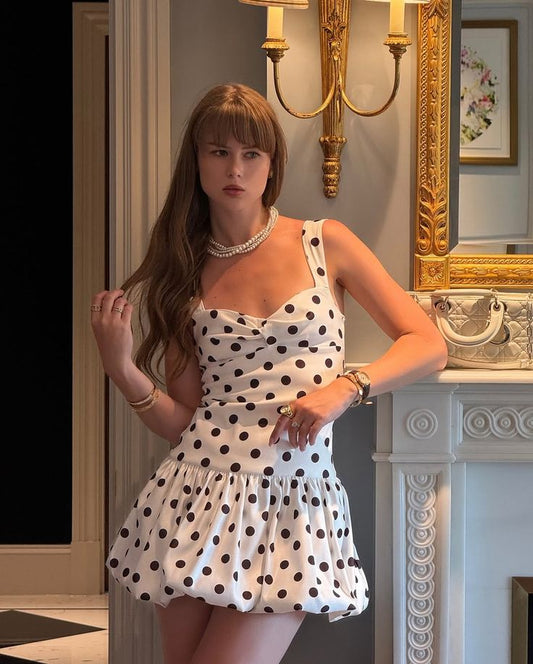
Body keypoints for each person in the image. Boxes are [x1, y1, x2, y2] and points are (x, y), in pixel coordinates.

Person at [90, 82, 448, 664]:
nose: (235, 168)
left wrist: (346, 388)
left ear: (272, 162)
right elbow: (184, 423)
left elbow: (428, 344)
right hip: (195, 496)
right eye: (219, 152)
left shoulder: (325, 243)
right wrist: (121, 367)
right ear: (197, 161)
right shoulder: (183, 274)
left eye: (251, 153)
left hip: (291, 502)